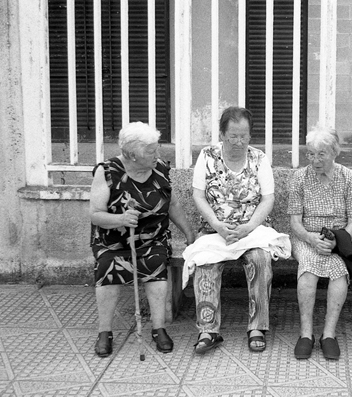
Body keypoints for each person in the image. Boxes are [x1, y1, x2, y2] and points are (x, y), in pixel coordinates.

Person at [90, 121, 195, 357]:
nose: (156, 155)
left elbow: (173, 204)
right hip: (113, 241)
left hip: (152, 238)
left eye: (156, 149)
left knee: (156, 262)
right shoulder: (107, 172)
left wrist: (189, 233)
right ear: (131, 155)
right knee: (107, 265)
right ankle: (104, 332)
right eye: (150, 151)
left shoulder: (160, 169)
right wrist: (121, 219)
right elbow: (95, 214)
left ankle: (159, 328)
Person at [190, 106, 276, 354]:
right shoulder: (207, 156)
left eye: (244, 136)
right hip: (214, 230)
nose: (239, 142)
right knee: (205, 263)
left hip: (253, 230)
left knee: (260, 259)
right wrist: (217, 225)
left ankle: (257, 327)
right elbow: (198, 195)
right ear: (222, 134)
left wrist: (248, 227)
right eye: (233, 136)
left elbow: (268, 198)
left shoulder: (259, 158)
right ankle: (208, 330)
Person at [287, 127, 352, 360]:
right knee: (308, 270)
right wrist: (311, 238)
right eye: (311, 154)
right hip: (306, 237)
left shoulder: (349, 178)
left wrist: (338, 241)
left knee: (339, 272)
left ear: (334, 153)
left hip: (337, 238)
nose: (315, 160)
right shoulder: (299, 177)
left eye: (321, 154)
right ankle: (306, 334)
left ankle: (329, 335)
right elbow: (294, 222)